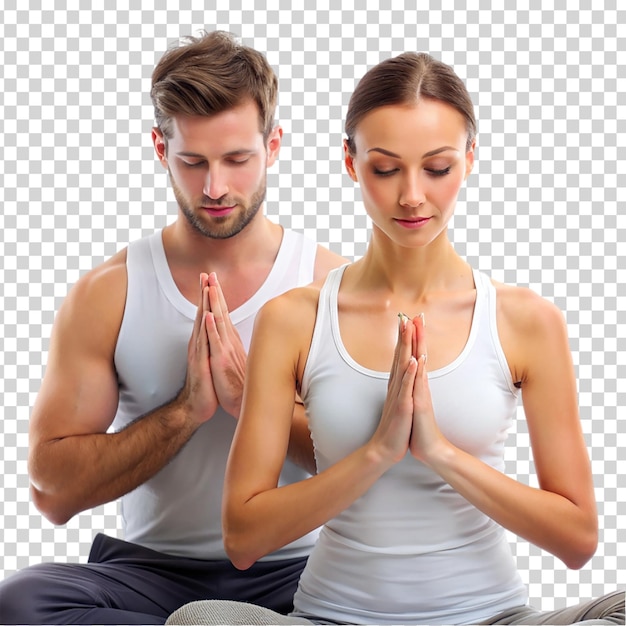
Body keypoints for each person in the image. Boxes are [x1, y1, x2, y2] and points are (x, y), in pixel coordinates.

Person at [167, 52, 625, 625]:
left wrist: (440, 452)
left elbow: (578, 539)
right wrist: (379, 452)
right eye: (386, 169)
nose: (412, 196)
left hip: (491, 618)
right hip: (334, 618)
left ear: (469, 160)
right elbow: (243, 535)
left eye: (436, 169)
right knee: (200, 620)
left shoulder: (525, 319)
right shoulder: (296, 319)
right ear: (351, 163)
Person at [0, 30, 345, 625]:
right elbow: (52, 494)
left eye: (238, 160)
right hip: (153, 574)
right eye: (193, 162)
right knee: (22, 603)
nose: (215, 188)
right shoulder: (108, 292)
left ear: (274, 146)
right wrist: (186, 410)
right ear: (161, 149)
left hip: (302, 570)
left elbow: (377, 460)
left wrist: (249, 403)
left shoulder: (333, 286)